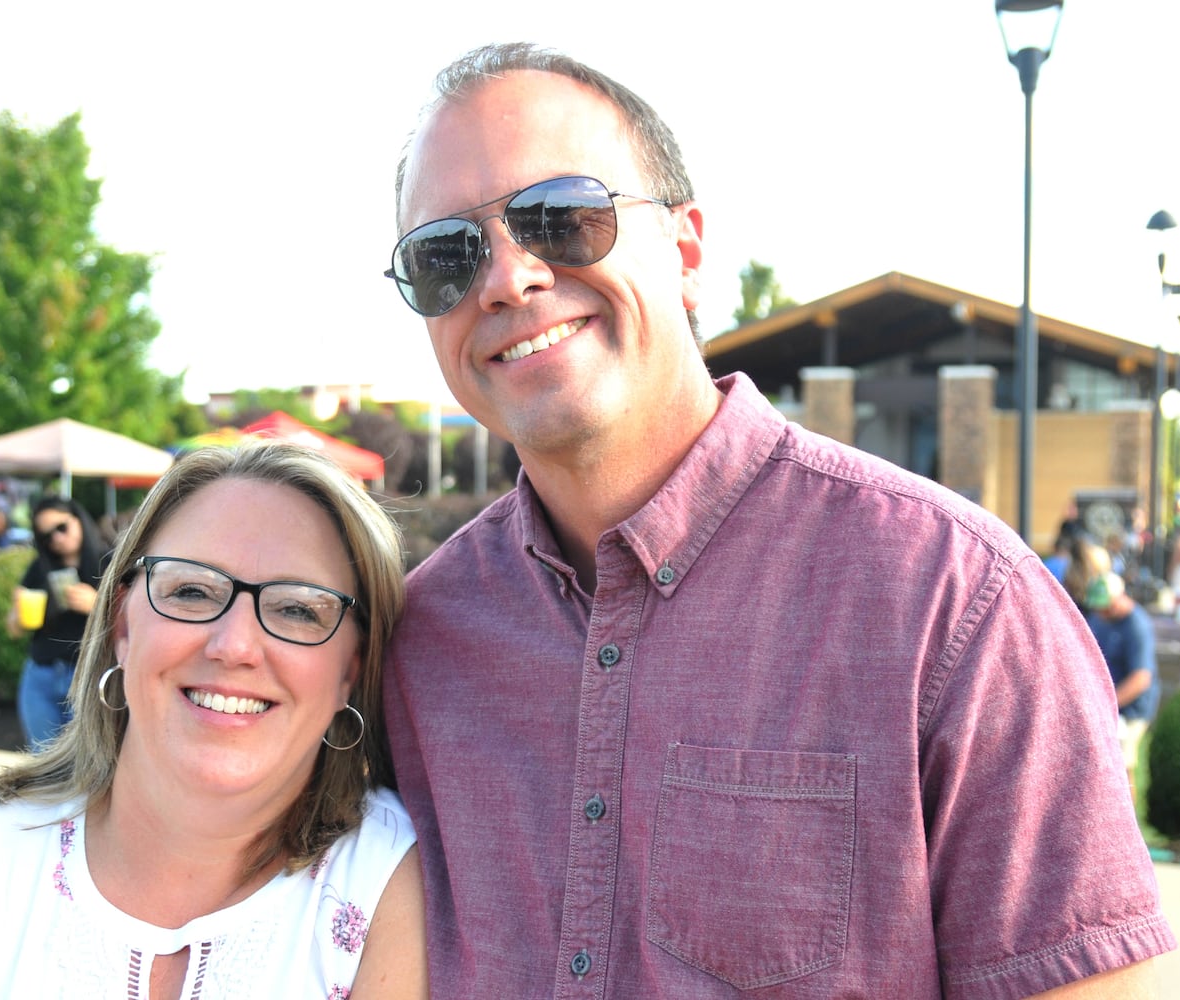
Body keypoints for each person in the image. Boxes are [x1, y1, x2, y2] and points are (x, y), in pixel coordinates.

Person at [381, 43, 1175, 997]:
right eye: (445, 256)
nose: (506, 279)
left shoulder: (954, 603)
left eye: (559, 216)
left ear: (683, 251)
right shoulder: (414, 643)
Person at [0, 443, 427, 999]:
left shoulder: (395, 884)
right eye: (191, 591)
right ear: (122, 627)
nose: (234, 645)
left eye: (298, 608)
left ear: (352, 666)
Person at [5, 495, 105, 748]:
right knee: (43, 761)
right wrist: (19, 613)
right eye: (47, 535)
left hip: (89, 675)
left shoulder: (111, 561)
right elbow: (13, 630)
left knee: (88, 761)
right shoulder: (40, 568)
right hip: (41, 672)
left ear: (79, 520)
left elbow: (137, 622)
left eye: (62, 528)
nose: (57, 538)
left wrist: (97, 606)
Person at [1070, 539, 1160, 800]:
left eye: (1106, 607)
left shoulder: (1136, 625)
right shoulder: (1099, 618)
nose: (1102, 613)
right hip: (1105, 704)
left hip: (1131, 709)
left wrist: (1106, 704)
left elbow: (1141, 678)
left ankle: (1127, 821)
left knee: (1122, 759)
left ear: (1119, 598)